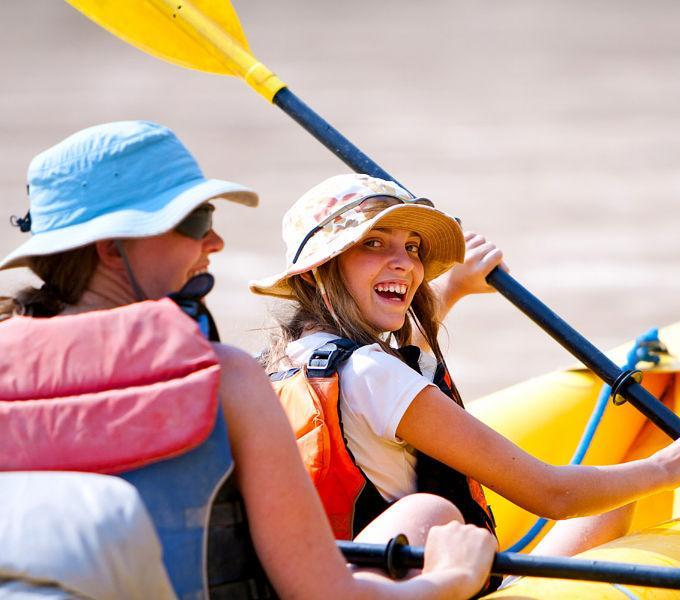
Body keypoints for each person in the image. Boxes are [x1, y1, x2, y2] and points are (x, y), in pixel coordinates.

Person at [0, 122, 496, 600]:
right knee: (429, 511)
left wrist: (442, 294)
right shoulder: (224, 378)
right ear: (112, 248)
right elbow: (325, 593)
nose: (214, 242)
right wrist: (448, 579)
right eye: (197, 222)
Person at [250, 173, 680, 559]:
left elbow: (394, 356)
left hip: (342, 574)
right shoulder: (373, 375)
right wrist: (667, 467)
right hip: (417, 582)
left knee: (613, 502)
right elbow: (552, 495)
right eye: (374, 243)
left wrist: (456, 284)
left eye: (413, 247)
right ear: (319, 269)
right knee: (619, 494)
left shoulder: (282, 362)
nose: (405, 263)